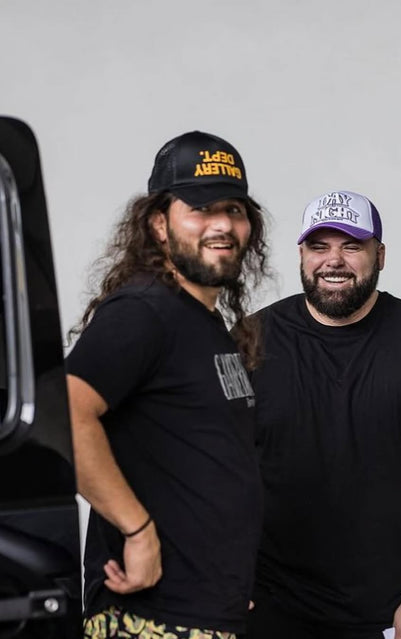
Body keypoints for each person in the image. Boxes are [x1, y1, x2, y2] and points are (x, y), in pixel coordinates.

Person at [246, 190, 401, 639]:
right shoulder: (251, 339)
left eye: (351, 246)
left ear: (380, 255)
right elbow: (213, 462)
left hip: (383, 608)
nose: (334, 260)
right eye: (319, 246)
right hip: (266, 599)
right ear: (301, 255)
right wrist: (219, 570)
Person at [66, 130, 269, 639]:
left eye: (234, 209)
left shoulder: (206, 324)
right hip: (149, 617)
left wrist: (230, 574)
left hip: (205, 612)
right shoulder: (143, 312)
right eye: (201, 209)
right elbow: (64, 413)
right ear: (158, 224)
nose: (222, 225)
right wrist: (136, 530)